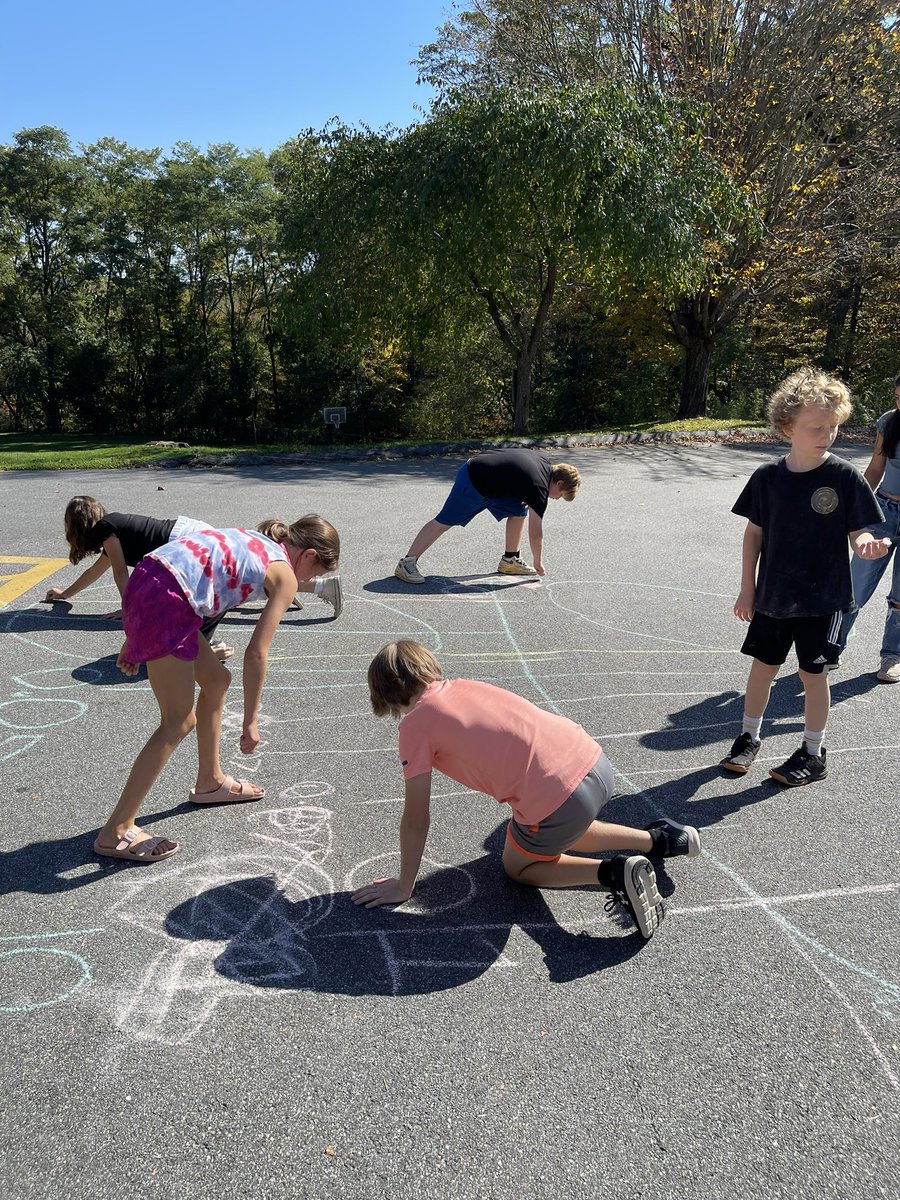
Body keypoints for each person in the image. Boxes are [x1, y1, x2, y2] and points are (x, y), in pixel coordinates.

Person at [351, 640, 701, 940]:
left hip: (558, 798)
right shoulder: (464, 686)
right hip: (594, 763)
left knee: (517, 865)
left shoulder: (414, 726)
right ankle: (662, 840)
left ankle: (614, 873)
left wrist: (404, 885)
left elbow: (416, 818)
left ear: (384, 694)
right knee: (555, 827)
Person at [93, 514, 340, 864]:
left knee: (216, 681)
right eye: (313, 574)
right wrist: (250, 721)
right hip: (166, 601)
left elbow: (180, 569)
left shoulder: (261, 541)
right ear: (309, 555)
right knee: (178, 721)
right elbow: (256, 653)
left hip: (152, 582)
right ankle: (116, 831)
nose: (307, 582)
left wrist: (138, 635)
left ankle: (210, 780)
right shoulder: (285, 574)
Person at [722, 369, 889, 786]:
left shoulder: (844, 477)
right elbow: (754, 534)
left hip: (824, 600)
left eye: (833, 427)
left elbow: (858, 531)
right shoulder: (767, 477)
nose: (827, 435)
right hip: (774, 597)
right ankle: (748, 736)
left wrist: (866, 545)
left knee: (812, 676)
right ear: (787, 428)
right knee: (763, 669)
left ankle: (814, 753)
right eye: (816, 427)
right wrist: (747, 588)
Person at [44, 498, 343, 658]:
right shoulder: (112, 526)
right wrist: (65, 594)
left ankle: (203, 651)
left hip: (184, 544)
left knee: (213, 597)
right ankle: (317, 586)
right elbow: (98, 570)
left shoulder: (108, 530)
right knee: (236, 584)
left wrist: (130, 610)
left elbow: (121, 573)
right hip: (190, 536)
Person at [394, 449, 580, 584]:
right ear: (559, 483)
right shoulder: (538, 487)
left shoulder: (544, 462)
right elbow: (535, 534)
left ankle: (510, 560)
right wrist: (538, 561)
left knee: (519, 509)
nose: (556, 499)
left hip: (492, 481)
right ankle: (407, 563)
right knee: (444, 521)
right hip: (474, 479)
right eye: (560, 495)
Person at [836, 375, 900, 683]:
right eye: (898, 398)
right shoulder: (889, 422)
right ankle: (831, 647)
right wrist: (852, 509)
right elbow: (875, 469)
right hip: (883, 511)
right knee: (856, 585)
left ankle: (892, 656)